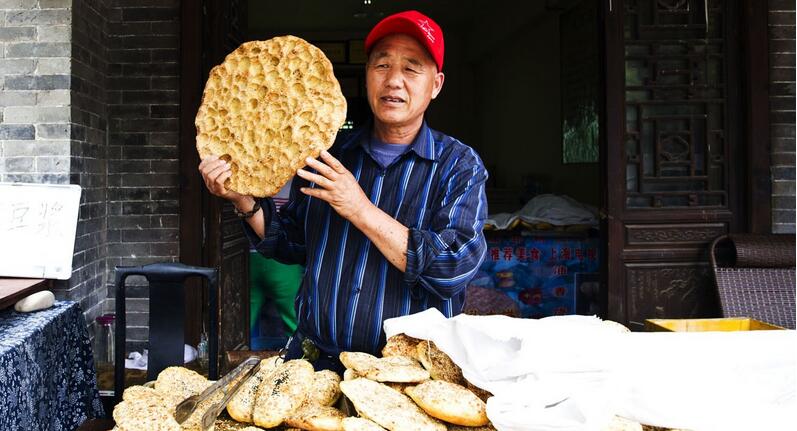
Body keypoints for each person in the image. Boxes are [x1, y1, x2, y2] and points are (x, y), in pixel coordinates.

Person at [199, 10, 488, 371]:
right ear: (367, 75)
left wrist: (360, 209)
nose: (394, 81)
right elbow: (290, 242)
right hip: (319, 363)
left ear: (436, 84)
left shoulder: (458, 165)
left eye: (411, 68)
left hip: (411, 374)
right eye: (382, 66)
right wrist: (241, 198)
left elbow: (452, 267)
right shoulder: (328, 155)